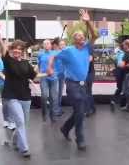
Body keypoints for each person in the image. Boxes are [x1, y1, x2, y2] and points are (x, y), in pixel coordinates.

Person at [48, 9, 98, 151]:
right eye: (78, 37)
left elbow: (95, 35)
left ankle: (65, 128)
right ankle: (80, 139)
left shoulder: (87, 48)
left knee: (79, 112)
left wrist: (87, 22)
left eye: (83, 36)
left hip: (83, 84)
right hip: (72, 85)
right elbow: (53, 56)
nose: (81, 38)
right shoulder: (68, 50)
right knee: (80, 110)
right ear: (74, 40)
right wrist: (50, 68)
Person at [0, 22, 46, 158]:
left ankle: (15, 141)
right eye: (15, 49)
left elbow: (34, 76)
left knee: (23, 123)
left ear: (23, 51)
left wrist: (48, 73)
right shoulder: (8, 60)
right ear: (12, 50)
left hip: (25, 97)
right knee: (20, 121)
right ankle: (24, 149)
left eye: (20, 49)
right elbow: (2, 47)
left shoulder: (26, 64)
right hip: (11, 96)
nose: (17, 51)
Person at [38, 39, 59, 122]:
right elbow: (39, 64)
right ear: (43, 45)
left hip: (53, 78)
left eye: (48, 43)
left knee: (53, 98)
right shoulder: (40, 54)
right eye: (45, 44)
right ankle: (44, 113)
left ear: (51, 45)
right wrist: (39, 73)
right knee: (44, 96)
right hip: (44, 77)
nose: (46, 45)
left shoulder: (55, 53)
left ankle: (52, 116)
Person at [0, 58, 16, 130]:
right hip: (3, 85)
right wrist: (5, 78)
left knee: (12, 103)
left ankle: (12, 121)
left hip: (13, 85)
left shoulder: (15, 60)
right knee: (5, 104)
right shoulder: (1, 60)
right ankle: (6, 120)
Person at [52, 38, 65, 116]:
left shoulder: (64, 52)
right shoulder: (54, 52)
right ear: (58, 45)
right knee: (56, 93)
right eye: (61, 44)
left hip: (62, 75)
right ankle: (55, 110)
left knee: (60, 93)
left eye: (64, 44)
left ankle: (58, 108)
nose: (63, 46)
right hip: (55, 75)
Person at [110, 43, 125, 111]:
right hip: (122, 72)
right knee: (124, 89)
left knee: (119, 88)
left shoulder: (118, 53)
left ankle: (113, 101)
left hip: (118, 72)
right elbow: (120, 64)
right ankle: (123, 104)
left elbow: (114, 59)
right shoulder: (123, 54)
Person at [85, 48, 96, 117]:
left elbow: (90, 59)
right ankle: (92, 108)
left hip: (89, 73)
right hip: (86, 74)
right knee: (88, 92)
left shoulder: (89, 51)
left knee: (87, 91)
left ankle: (89, 110)